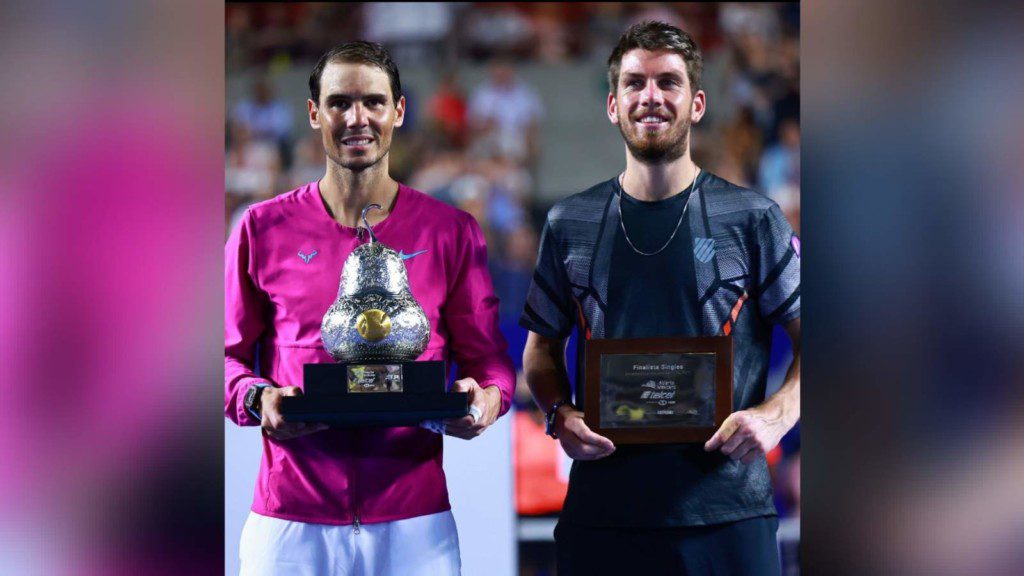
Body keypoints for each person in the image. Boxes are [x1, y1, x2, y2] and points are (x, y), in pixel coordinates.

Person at [225, 41, 516, 576]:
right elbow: (223, 358)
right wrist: (254, 397)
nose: (356, 118)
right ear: (314, 114)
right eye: (339, 102)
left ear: (398, 111)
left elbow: (489, 360)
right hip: (291, 520)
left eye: (373, 102)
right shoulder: (260, 228)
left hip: (414, 523)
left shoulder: (450, 231)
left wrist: (486, 399)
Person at [521, 21, 801, 575]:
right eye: (635, 83)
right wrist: (558, 414)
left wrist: (774, 417)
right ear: (612, 104)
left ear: (696, 103)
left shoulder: (752, 219)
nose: (651, 97)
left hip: (727, 514)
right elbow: (539, 351)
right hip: (604, 514)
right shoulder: (568, 222)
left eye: (668, 82)